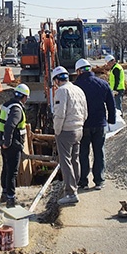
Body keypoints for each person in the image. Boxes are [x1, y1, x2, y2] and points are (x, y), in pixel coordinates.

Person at [73, 59, 116, 191]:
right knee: (99, 152)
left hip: (83, 125)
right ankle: (99, 181)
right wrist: (111, 120)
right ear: (90, 69)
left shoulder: (76, 86)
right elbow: (111, 104)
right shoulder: (102, 84)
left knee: (83, 153)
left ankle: (83, 182)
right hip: (100, 124)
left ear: (79, 71)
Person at [51, 66, 88, 205]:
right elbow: (85, 112)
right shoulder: (78, 90)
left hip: (66, 131)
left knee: (65, 162)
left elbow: (60, 114)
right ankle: (75, 185)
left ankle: (71, 193)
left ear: (56, 80)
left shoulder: (62, 91)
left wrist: (57, 130)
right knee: (75, 160)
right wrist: (80, 125)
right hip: (79, 129)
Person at [0, 84, 30, 208]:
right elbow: (10, 126)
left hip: (6, 143)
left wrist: (1, 140)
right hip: (13, 144)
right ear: (24, 97)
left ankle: (4, 193)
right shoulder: (17, 109)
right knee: (12, 172)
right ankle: (10, 198)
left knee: (6, 168)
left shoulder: (7, 105)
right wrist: (7, 143)